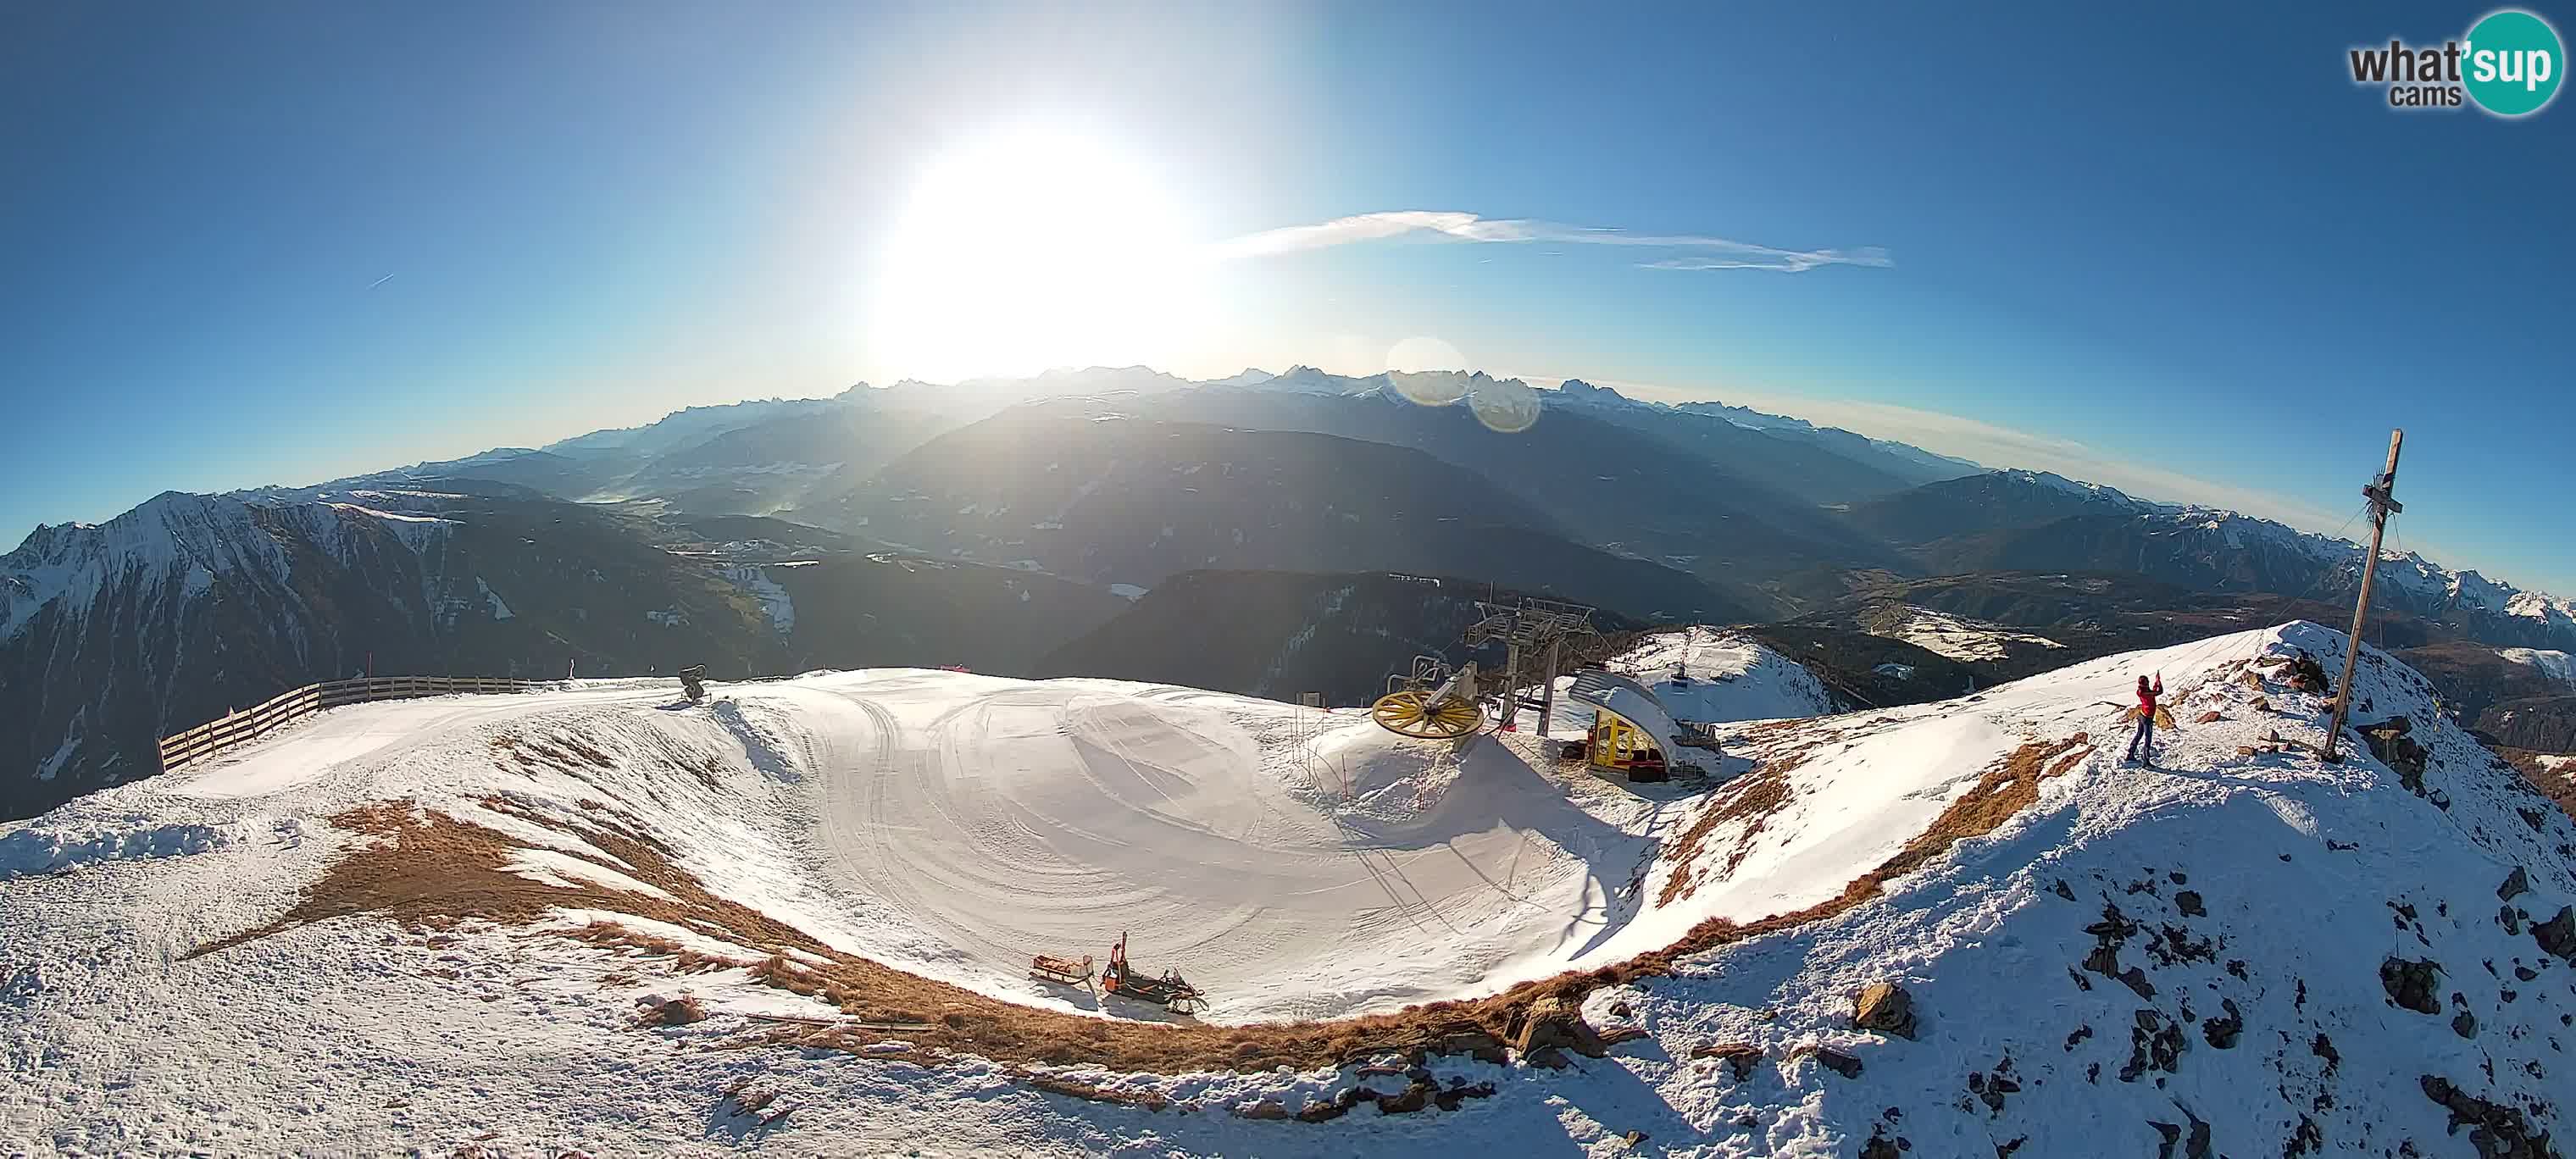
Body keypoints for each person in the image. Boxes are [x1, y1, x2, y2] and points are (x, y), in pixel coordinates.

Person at [2126, 673, 2163, 765]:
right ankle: (2146, 760)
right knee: (2148, 739)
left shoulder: (2143, 690)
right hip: (2147, 718)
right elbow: (2159, 692)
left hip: (2142, 715)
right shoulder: (2144, 692)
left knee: (2139, 735)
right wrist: (2158, 682)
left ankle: (2130, 753)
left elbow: (2153, 692)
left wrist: (2156, 684)